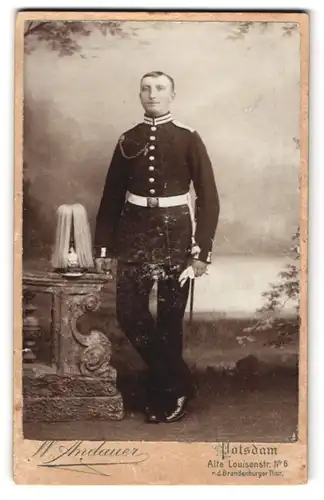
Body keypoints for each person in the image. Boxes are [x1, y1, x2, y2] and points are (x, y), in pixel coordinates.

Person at [94, 71, 220, 423]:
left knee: (168, 320)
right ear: (139, 95)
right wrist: (103, 247)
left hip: (176, 235)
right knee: (129, 313)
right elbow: (112, 196)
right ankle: (178, 381)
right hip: (133, 235)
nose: (152, 94)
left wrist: (202, 252)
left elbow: (209, 197)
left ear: (173, 95)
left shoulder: (188, 138)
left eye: (160, 88)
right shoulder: (127, 139)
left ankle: (166, 395)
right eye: (146, 89)